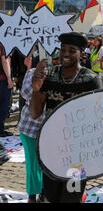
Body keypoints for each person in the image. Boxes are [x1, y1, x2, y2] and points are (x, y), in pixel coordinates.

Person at [30, 32, 101, 203]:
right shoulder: (50, 75)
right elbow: (35, 113)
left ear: (82, 53)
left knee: (71, 197)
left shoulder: (91, 80)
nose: (66, 54)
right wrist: (36, 89)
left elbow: (98, 118)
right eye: (63, 50)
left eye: (72, 50)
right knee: (51, 197)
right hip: (51, 151)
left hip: (78, 156)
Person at [17, 52, 59, 202]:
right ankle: (32, 196)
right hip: (30, 129)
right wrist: (38, 83)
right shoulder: (31, 73)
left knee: (47, 165)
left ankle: (44, 192)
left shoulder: (59, 76)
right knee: (33, 163)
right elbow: (25, 94)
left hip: (50, 130)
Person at [0, 42, 14, 137]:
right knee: (3, 107)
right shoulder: (3, 44)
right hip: (2, 80)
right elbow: (4, 61)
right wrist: (9, 78)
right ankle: (0, 131)